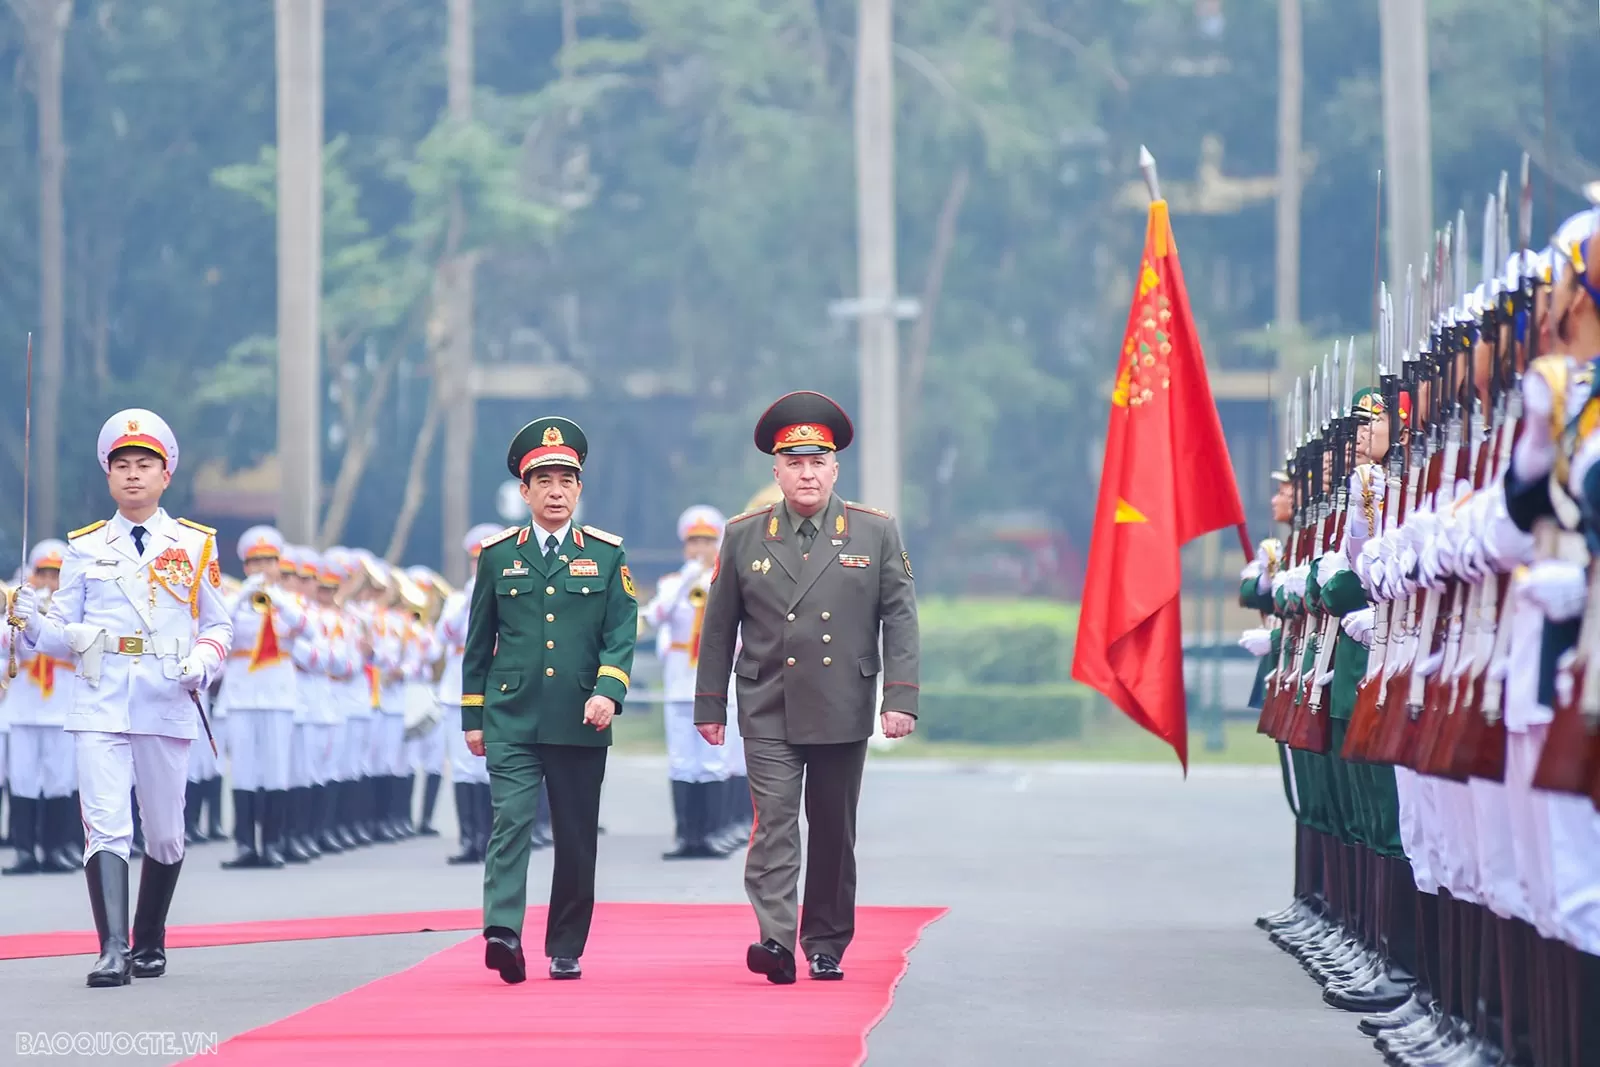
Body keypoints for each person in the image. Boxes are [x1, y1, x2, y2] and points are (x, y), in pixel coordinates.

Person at [693, 390, 920, 985]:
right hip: (767, 702)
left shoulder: (873, 532)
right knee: (774, 824)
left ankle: (824, 942)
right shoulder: (745, 535)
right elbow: (718, 627)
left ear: (835, 468)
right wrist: (710, 703)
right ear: (777, 471)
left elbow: (900, 619)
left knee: (833, 830)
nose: (807, 473)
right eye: (794, 463)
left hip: (843, 702)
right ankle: (775, 938)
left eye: (817, 462)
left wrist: (899, 697)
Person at [11, 408, 233, 987]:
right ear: (108, 476)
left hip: (165, 693)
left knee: (164, 830)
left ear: (165, 475)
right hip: (101, 694)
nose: (133, 474)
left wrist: (202, 662)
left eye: (145, 465)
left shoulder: (194, 544)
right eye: (122, 465)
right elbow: (62, 635)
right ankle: (112, 948)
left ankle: (149, 936)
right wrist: (30, 621)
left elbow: (218, 625)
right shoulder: (84, 547)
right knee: (106, 824)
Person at [461, 416, 638, 984]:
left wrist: (609, 692)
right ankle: (502, 932)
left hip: (581, 718)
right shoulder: (496, 555)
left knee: (576, 836)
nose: (555, 491)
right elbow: (478, 640)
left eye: (566, 480)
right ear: (525, 491)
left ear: (579, 489)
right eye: (544, 481)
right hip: (510, 715)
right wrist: (473, 716)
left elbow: (621, 633)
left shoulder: (607, 555)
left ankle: (565, 944)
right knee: (511, 822)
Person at [641, 504, 736, 860]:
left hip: (715, 685)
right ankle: (686, 835)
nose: (700, 548)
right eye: (694, 542)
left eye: (708, 542)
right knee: (682, 761)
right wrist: (687, 579)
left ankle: (712, 834)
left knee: (713, 760)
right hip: (680, 684)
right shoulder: (671, 585)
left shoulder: (729, 583)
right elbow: (656, 616)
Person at [216, 526, 306, 870]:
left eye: (269, 561)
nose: (263, 568)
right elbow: (216, 624)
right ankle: (244, 845)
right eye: (256, 562)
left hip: (278, 693)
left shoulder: (290, 602)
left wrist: (276, 598)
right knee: (243, 770)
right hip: (242, 694)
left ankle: (272, 843)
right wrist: (244, 594)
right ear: (246, 566)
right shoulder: (234, 602)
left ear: (279, 564)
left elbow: (307, 628)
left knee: (275, 769)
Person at [3, 539, 80, 875]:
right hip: (25, 706)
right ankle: (24, 850)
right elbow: (6, 645)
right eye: (43, 573)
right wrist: (20, 617)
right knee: (22, 779)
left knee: (59, 779)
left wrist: (48, 621)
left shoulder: (76, 611)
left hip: (60, 706)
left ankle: (56, 848)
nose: (49, 581)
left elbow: (79, 646)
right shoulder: (19, 606)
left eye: (55, 574)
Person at [437, 523, 501, 865]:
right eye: (476, 561)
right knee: (463, 768)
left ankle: (490, 839)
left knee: (491, 767)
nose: (480, 567)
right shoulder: (457, 599)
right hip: (458, 688)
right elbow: (444, 634)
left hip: (496, 686)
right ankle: (468, 840)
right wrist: (469, 601)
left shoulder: (510, 595)